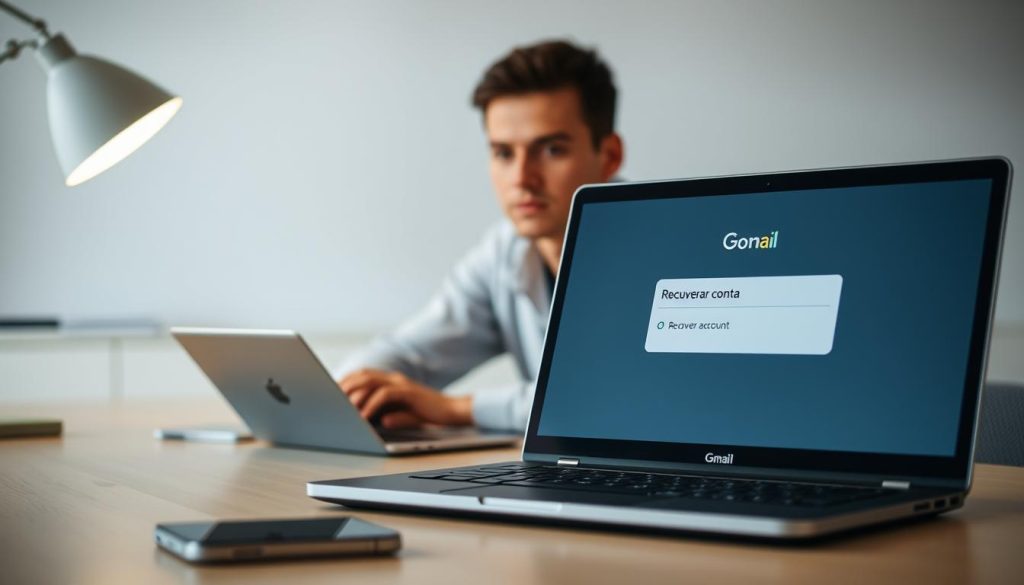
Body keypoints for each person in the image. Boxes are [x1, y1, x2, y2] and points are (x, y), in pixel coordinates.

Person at [334, 39, 624, 431]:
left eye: (552, 150)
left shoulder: (659, 247)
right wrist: (359, 394)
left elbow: (606, 401)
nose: (522, 179)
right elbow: (408, 352)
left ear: (609, 156)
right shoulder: (505, 251)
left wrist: (455, 409)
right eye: (504, 153)